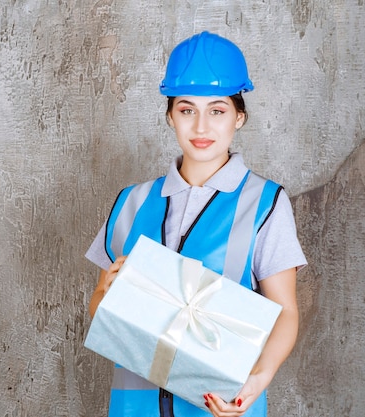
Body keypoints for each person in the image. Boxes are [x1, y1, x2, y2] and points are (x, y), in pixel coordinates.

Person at [86, 31, 307, 417]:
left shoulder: (266, 203)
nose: (201, 127)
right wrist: (105, 291)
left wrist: (258, 377)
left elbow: (285, 310)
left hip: (221, 408)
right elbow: (100, 308)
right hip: (133, 408)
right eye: (187, 110)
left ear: (239, 116)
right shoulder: (131, 203)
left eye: (217, 110)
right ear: (170, 115)